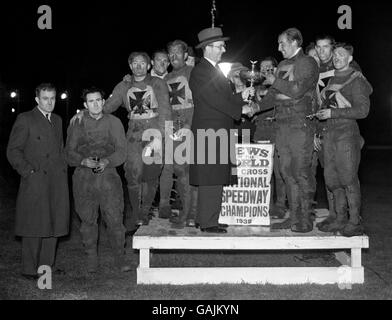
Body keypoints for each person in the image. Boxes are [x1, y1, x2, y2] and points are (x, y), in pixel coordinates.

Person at [72, 52, 172, 228]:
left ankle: (145, 211)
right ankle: (135, 212)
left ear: (149, 66)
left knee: (152, 172)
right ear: (130, 66)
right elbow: (107, 107)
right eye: (135, 63)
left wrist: (160, 136)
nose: (139, 66)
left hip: (153, 132)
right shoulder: (124, 86)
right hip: (133, 133)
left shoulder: (158, 83)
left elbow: (165, 111)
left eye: (143, 63)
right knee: (132, 172)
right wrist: (85, 111)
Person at [252, 28, 319, 233]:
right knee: (286, 172)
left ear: (295, 42)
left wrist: (275, 81)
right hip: (281, 124)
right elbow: (273, 95)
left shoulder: (308, 63)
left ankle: (306, 219)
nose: (279, 47)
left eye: (282, 43)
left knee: (301, 171)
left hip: (300, 124)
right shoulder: (282, 65)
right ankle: (293, 217)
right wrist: (255, 107)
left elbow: (298, 90)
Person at [189, 27, 255, 233]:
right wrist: (240, 108)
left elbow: (222, 99)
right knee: (211, 176)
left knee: (214, 176)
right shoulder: (201, 71)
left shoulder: (213, 70)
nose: (223, 49)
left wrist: (241, 95)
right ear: (207, 48)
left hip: (217, 130)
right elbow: (214, 99)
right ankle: (209, 222)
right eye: (219, 46)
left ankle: (205, 218)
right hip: (210, 132)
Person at [7, 83, 69, 280]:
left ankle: (46, 267)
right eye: (45, 98)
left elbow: (59, 149)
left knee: (53, 224)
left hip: (56, 181)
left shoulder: (58, 120)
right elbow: (13, 150)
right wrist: (28, 171)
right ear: (37, 100)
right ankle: (29, 268)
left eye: (52, 98)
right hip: (36, 180)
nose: (49, 102)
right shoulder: (25, 119)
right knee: (33, 225)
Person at [66, 87, 131, 272]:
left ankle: (120, 258)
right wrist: (81, 160)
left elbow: (122, 150)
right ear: (85, 105)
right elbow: (68, 152)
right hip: (83, 178)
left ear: (103, 102)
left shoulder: (114, 122)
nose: (95, 104)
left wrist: (108, 161)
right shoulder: (77, 123)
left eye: (98, 100)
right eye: (91, 101)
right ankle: (92, 260)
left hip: (108, 177)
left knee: (115, 219)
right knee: (87, 220)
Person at [315, 43, 372, 236]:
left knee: (348, 178)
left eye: (342, 55)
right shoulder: (332, 79)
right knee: (332, 180)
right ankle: (339, 219)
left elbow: (363, 111)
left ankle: (355, 221)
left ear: (349, 58)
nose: (337, 57)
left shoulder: (356, 80)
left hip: (346, 133)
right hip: (329, 134)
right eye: (335, 55)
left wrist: (333, 112)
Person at [159, 39, 198, 228]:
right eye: (170, 53)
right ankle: (187, 211)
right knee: (179, 170)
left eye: (177, 53)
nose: (174, 57)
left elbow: (202, 100)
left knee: (193, 170)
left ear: (185, 55)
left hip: (193, 124)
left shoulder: (194, 73)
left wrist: (190, 124)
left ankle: (193, 213)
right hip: (172, 127)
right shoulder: (165, 80)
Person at [253, 57, 288, 219]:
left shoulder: (280, 85)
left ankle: (280, 205)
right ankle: (266, 205)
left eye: (269, 67)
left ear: (275, 69)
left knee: (279, 171)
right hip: (261, 131)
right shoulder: (253, 86)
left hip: (277, 130)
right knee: (263, 172)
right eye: (262, 67)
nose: (265, 70)